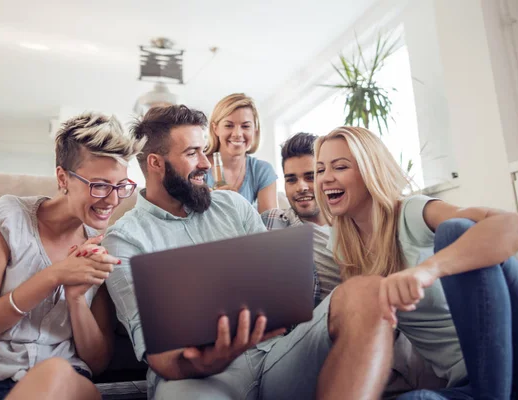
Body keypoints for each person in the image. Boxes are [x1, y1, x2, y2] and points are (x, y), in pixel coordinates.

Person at [103, 105, 400, 400]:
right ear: (156, 163)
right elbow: (158, 355)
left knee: (366, 291)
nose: (207, 163)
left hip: (275, 355)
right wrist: (208, 359)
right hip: (195, 376)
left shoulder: (232, 206)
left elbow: (275, 291)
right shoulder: (124, 240)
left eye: (205, 150)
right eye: (192, 153)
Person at [314, 126, 518, 399]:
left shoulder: (411, 213)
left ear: (370, 170)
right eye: (320, 170)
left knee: (456, 230)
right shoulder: (342, 244)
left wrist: (427, 271)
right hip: (467, 382)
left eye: (339, 167)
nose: (325, 179)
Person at [0, 113, 144, 400]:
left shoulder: (104, 245)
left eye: (120, 186)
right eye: (100, 185)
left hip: (67, 383)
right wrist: (54, 276)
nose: (113, 200)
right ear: (63, 177)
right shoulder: (10, 218)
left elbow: (97, 363)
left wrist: (76, 299)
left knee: (58, 373)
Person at [262, 132, 444, 399]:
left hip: (388, 333)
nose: (301, 186)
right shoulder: (274, 222)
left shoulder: (358, 224)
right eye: (291, 179)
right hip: (317, 336)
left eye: (310, 175)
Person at [204, 93, 277, 213]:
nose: (237, 133)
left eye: (245, 126)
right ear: (215, 128)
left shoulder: (262, 170)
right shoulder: (199, 168)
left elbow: (270, 225)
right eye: (229, 125)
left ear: (255, 130)